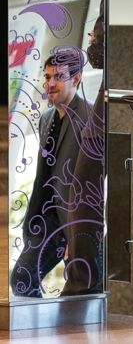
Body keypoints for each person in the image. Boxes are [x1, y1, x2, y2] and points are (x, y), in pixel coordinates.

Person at [11, 47, 91, 297]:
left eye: (58, 77)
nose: (50, 84)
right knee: (22, 280)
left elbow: (93, 182)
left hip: (73, 220)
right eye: (47, 77)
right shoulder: (46, 118)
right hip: (45, 218)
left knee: (82, 293)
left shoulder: (90, 116)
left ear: (76, 79)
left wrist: (75, 234)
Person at [60, 0, 105, 296]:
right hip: (118, 104)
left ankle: (83, 282)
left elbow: (99, 56)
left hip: (110, 109)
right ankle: (88, 280)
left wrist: (95, 41)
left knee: (84, 192)